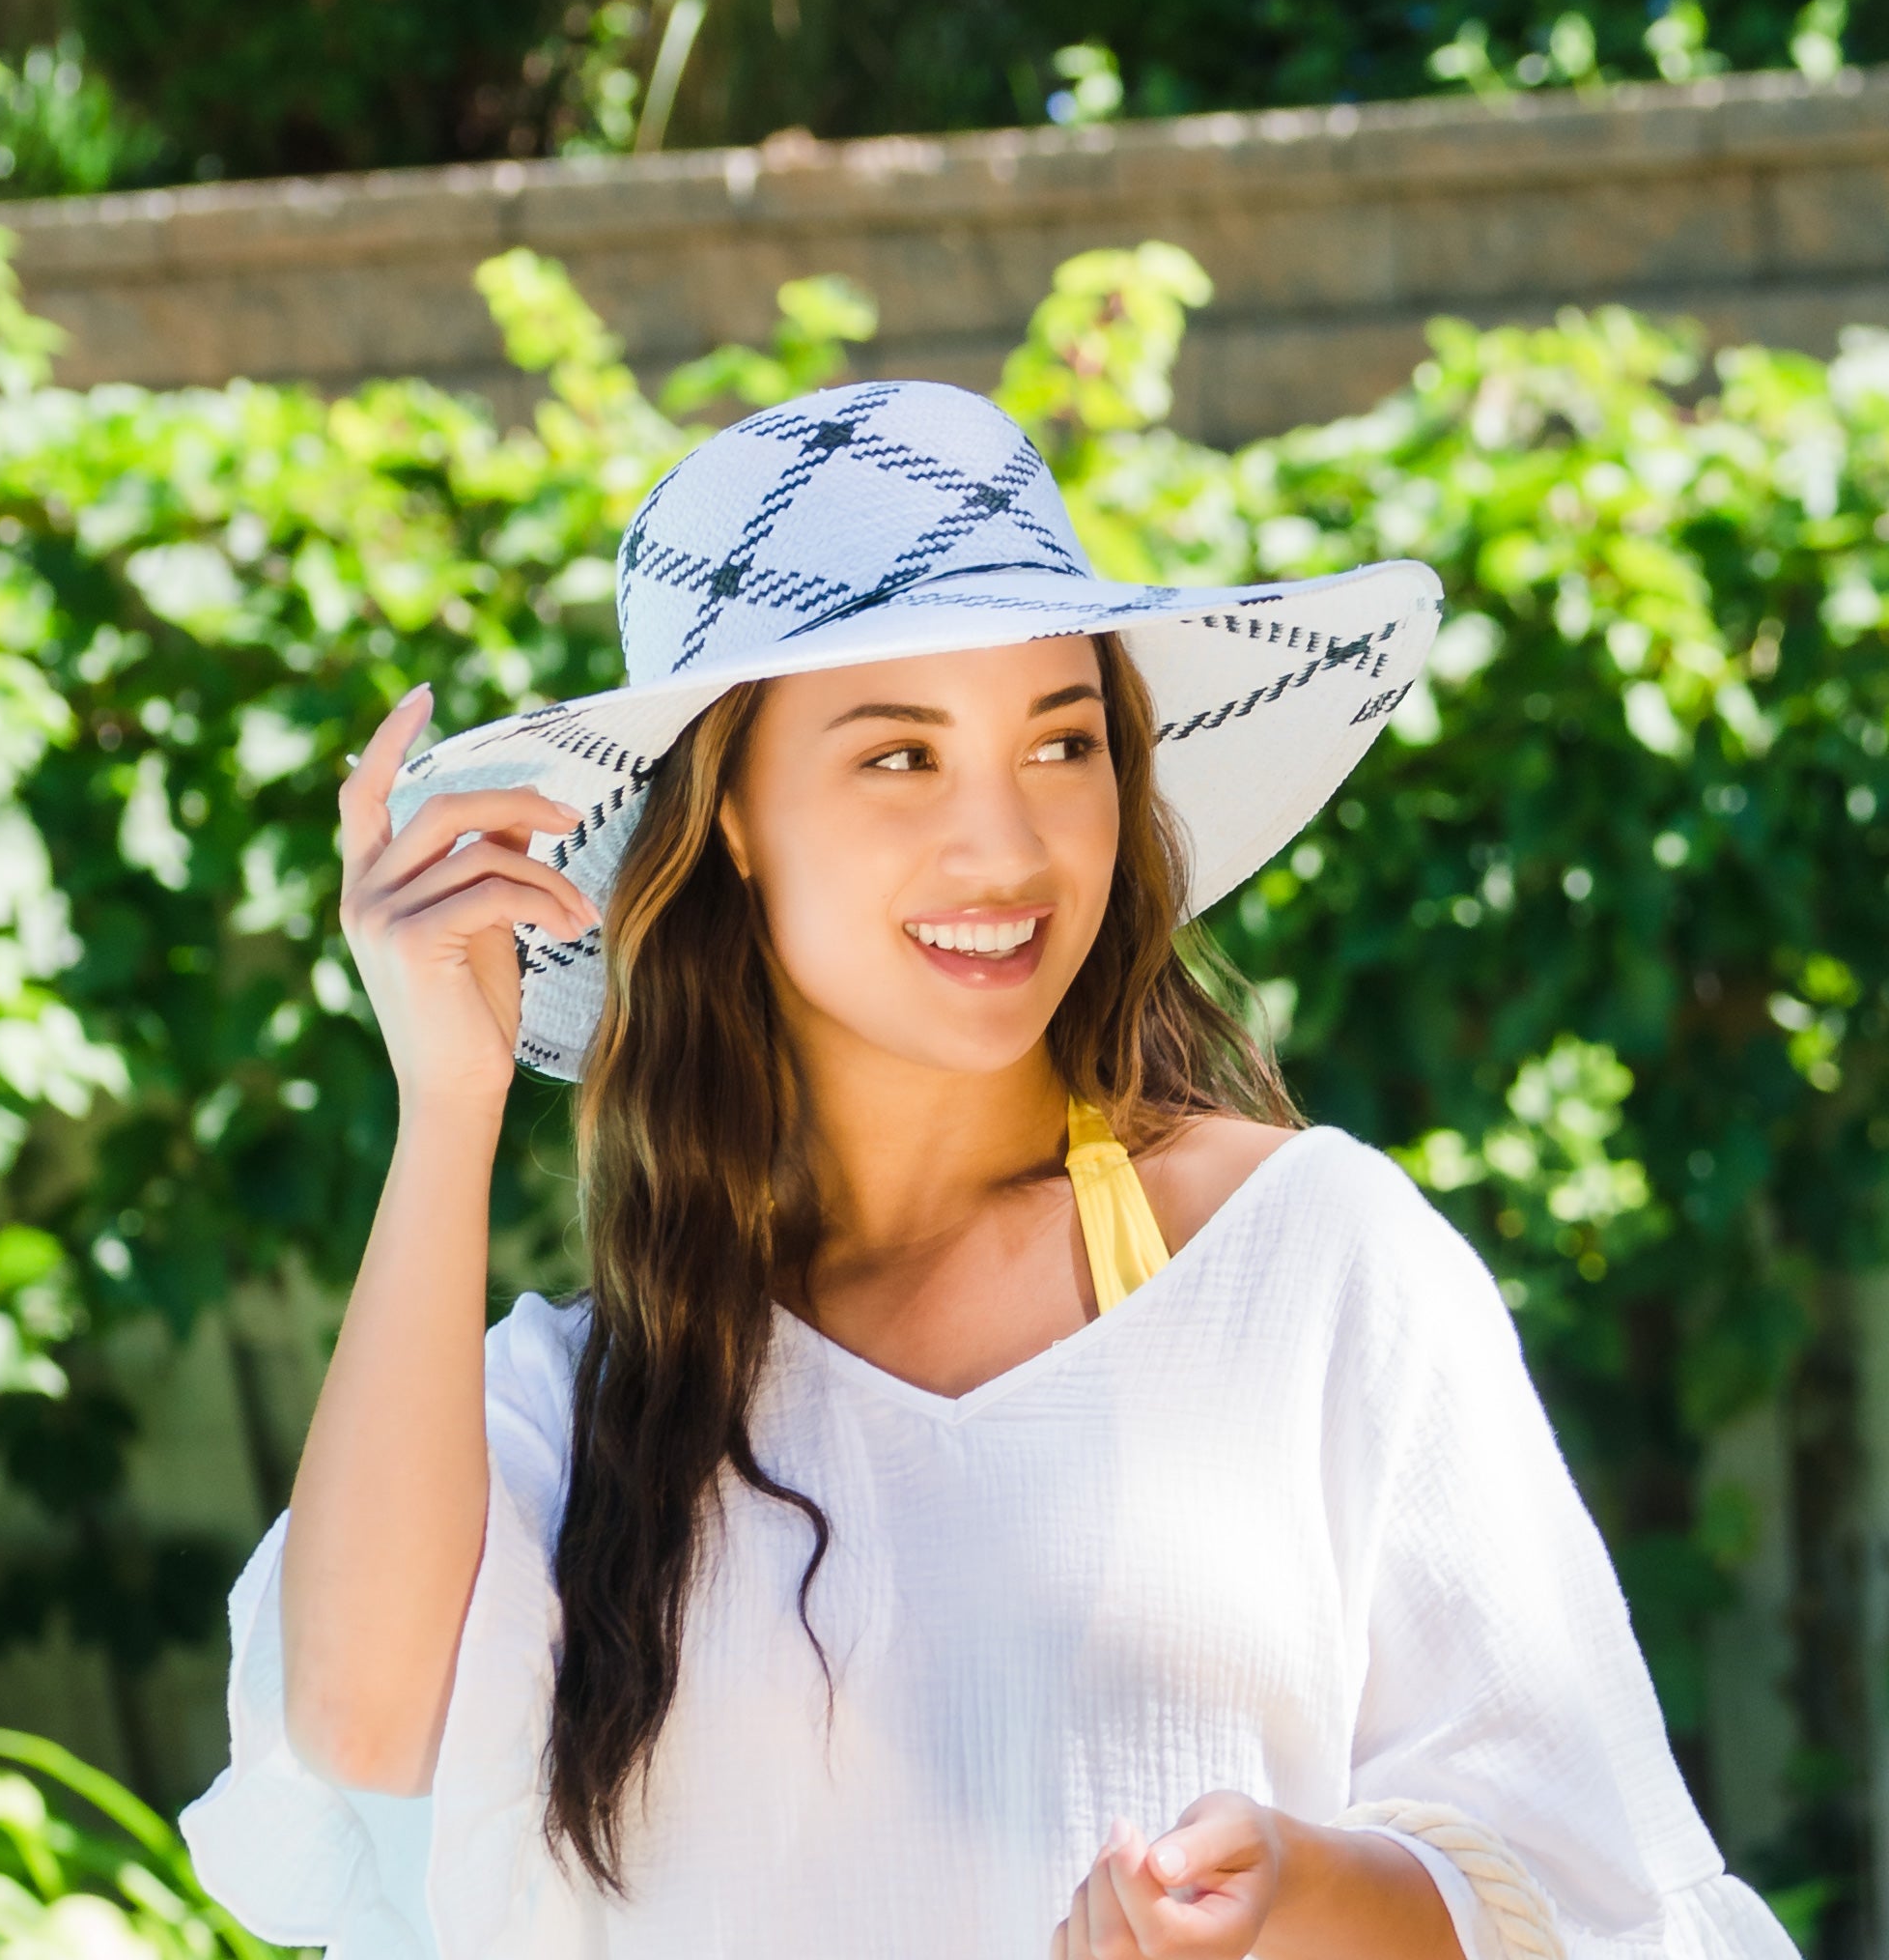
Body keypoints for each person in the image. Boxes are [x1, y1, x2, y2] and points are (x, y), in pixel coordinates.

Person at [179, 381, 1800, 1960]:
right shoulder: (583, 1402)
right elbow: (365, 1725)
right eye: (900, 757)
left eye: (1062, 742)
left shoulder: (1312, 1263)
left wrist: (1312, 1903)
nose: (1008, 848)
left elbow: (1603, 1887)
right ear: (732, 813)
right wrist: (448, 1100)